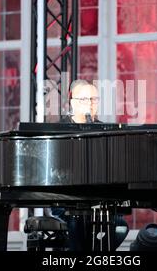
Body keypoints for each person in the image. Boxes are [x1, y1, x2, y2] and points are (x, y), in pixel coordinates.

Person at [51, 80, 128, 251]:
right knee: (78, 221)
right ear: (73, 103)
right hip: (65, 200)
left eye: (94, 99)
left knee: (121, 226)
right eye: (84, 99)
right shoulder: (59, 129)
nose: (90, 104)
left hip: (98, 199)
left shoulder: (105, 129)